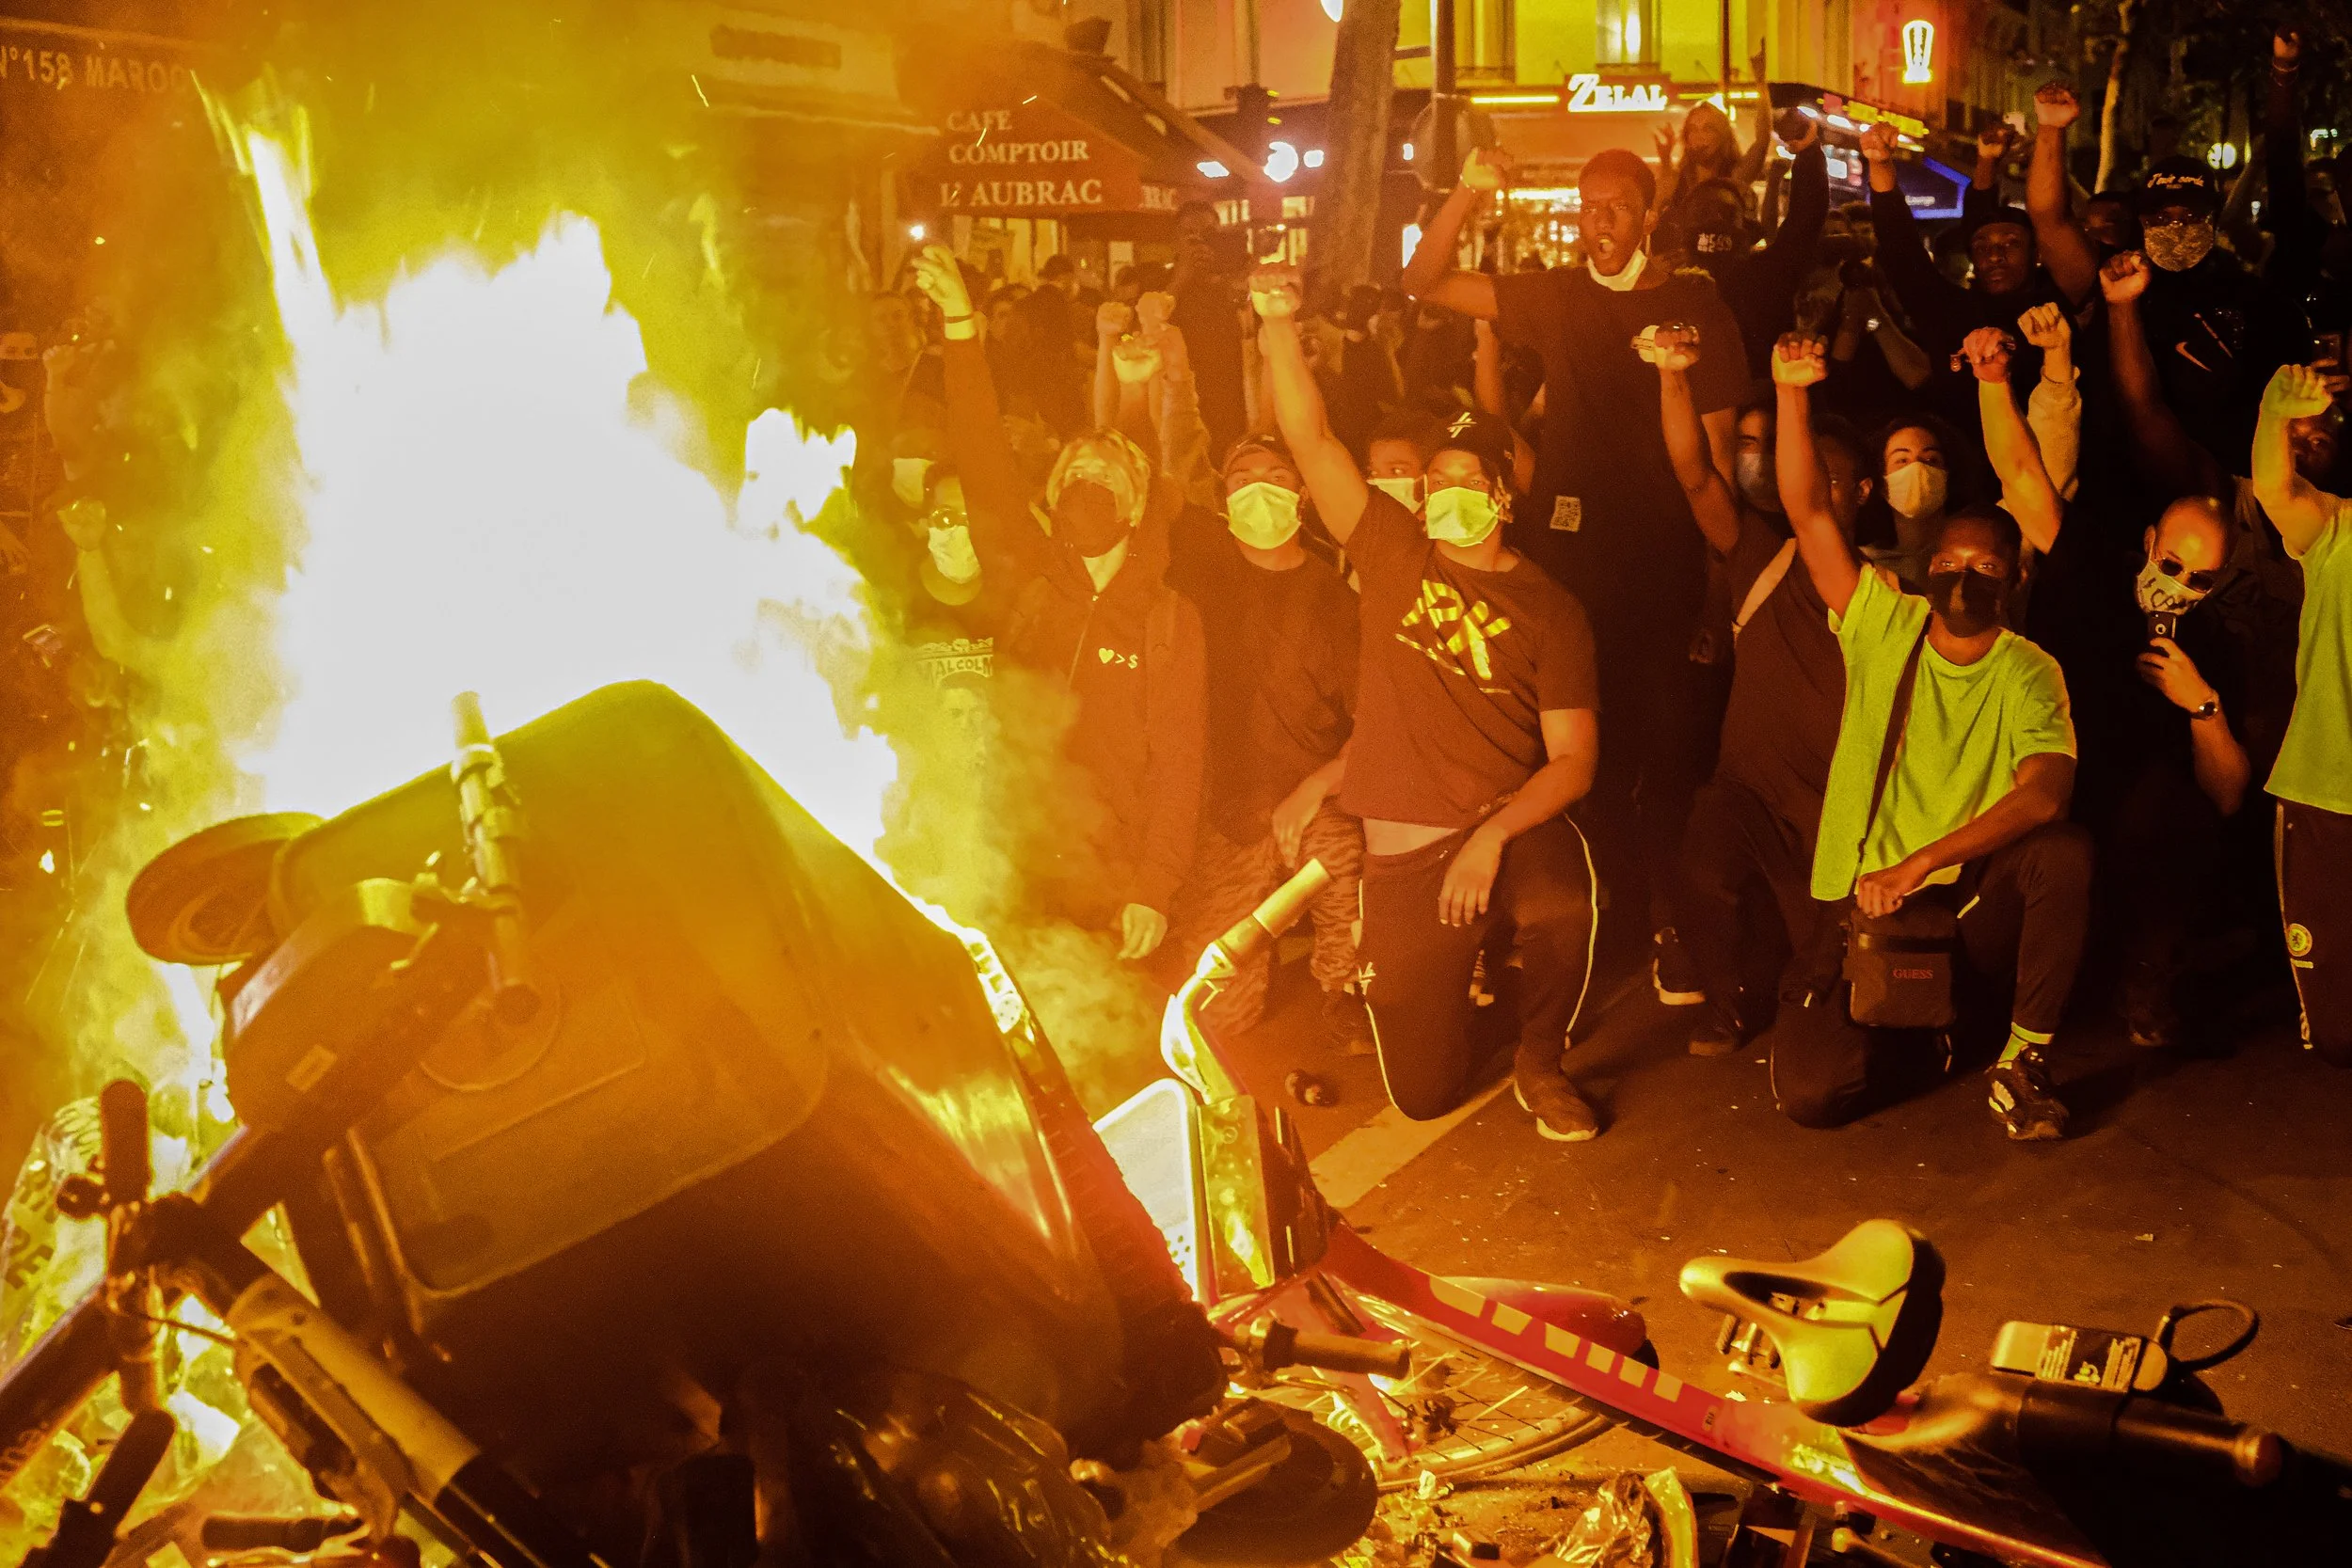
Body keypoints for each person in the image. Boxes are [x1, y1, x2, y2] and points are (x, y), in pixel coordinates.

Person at [1255, 265, 1605, 1142]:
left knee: (1564, 902)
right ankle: (1467, 977)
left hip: (1503, 827)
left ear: (1501, 495)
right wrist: (1275, 323)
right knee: (1422, 1093)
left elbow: (1575, 759)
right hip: (1406, 856)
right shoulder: (1392, 552)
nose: (1440, 491)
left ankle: (1540, 1054)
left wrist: (1492, 837)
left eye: (1462, 477)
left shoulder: (1552, 607)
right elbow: (1311, 439)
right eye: (1432, 477)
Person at [1402, 143, 1747, 989]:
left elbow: (1718, 469)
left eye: (1618, 208)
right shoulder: (1552, 295)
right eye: (1590, 207)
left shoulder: (1694, 311)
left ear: (1649, 215)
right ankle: (1579, 928)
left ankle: (1671, 930)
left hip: (1663, 572)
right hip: (1566, 572)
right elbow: (1423, 280)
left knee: (1664, 764)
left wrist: (1715, 594)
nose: (1601, 223)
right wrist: (1464, 192)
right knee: (1561, 759)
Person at [1772, 331, 2092, 1139]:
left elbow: (2048, 793)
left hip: (1959, 899)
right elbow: (1808, 512)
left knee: (2065, 855)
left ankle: (2021, 1057)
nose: (1962, 579)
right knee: (1815, 1096)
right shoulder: (1885, 620)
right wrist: (1790, 395)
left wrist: (1921, 863)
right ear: (1928, 566)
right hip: (1862, 899)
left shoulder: (2030, 669)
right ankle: (1940, 1040)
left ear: (2015, 577)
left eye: (1986, 568)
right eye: (1950, 563)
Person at [915, 245, 1206, 963]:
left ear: (1137, 507)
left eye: (1108, 474)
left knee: (1108, 1037)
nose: (1090, 477)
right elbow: (981, 453)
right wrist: (960, 325)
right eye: (1075, 468)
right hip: (1012, 851)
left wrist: (1155, 884)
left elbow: (1180, 761)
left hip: (1114, 870)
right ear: (1050, 493)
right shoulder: (1027, 576)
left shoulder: (1167, 619)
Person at [1656, 323, 1869, 1057]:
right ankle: (1727, 1003)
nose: (1816, 489)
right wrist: (1674, 377)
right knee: (1700, 870)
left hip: (1827, 807)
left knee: (1827, 959)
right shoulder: (1761, 552)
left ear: (1864, 493)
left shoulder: (1882, 588)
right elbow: (1693, 474)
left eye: (1834, 479)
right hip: (1746, 787)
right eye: (1808, 473)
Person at [1162, 434, 1368, 1051]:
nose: (1259, 490)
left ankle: (1344, 988)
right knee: (1220, 1021)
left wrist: (1315, 787)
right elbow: (1150, 478)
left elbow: (1377, 724)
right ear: (1222, 500)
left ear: (1303, 494)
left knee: (1339, 847)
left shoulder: (1335, 598)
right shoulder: (1200, 576)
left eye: (1276, 476)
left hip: (1309, 810)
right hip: (1226, 815)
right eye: (1242, 477)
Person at [2250, 363, 2352, 1069]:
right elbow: (2273, 488)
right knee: (2340, 1032)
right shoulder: (2338, 528)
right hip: (2326, 792)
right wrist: (2273, 413)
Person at [1168, 200, 1250, 463]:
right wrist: (1181, 279)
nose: (1201, 242)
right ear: (1175, 243)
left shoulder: (1235, 283)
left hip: (1232, 400)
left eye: (1208, 234)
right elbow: (1134, 335)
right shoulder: (1156, 284)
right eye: (1190, 235)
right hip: (1180, 402)